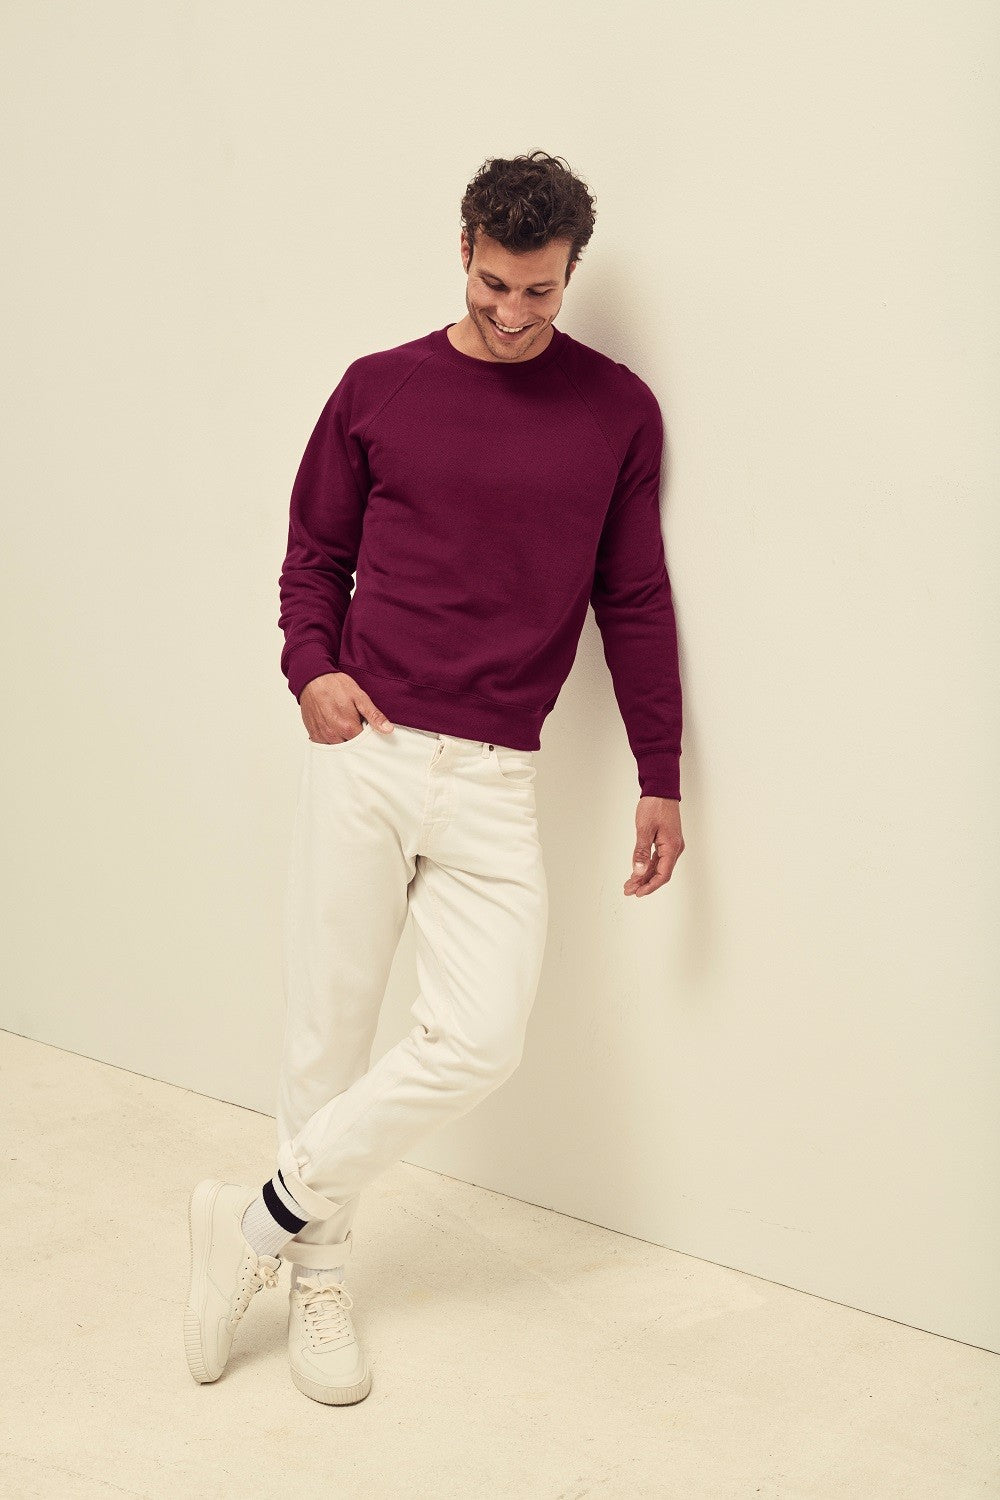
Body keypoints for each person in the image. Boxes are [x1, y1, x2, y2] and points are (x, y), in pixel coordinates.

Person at [184, 149, 685, 1405]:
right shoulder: (378, 388)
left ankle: (253, 1222)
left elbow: (631, 597)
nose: (513, 314)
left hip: (496, 776)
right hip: (369, 747)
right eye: (494, 283)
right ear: (463, 248)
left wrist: (659, 770)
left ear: (571, 273)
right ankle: (318, 1275)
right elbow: (313, 558)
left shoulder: (616, 411)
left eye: (540, 291)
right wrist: (310, 670)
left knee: (479, 1036)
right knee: (330, 1031)